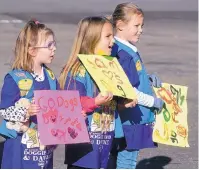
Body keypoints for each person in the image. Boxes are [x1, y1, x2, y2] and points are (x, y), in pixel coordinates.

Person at [59, 16, 137, 169]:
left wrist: (123, 102)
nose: (112, 41)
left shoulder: (109, 67)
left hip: (105, 142)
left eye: (112, 36)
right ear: (91, 40)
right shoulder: (78, 70)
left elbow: (112, 103)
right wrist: (95, 102)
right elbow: (70, 105)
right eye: (107, 36)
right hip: (83, 149)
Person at [109, 3, 164, 169]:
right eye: (136, 26)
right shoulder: (123, 53)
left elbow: (131, 76)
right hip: (132, 117)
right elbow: (128, 89)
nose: (140, 30)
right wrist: (153, 102)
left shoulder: (124, 48)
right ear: (120, 25)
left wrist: (146, 79)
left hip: (130, 117)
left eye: (142, 26)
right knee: (128, 159)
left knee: (117, 155)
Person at [0, 19, 58, 168]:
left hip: (44, 149)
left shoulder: (50, 77)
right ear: (32, 51)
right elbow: (5, 111)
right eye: (49, 45)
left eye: (54, 44)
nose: (54, 48)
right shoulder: (16, 78)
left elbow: (58, 105)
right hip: (20, 149)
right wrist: (26, 111)